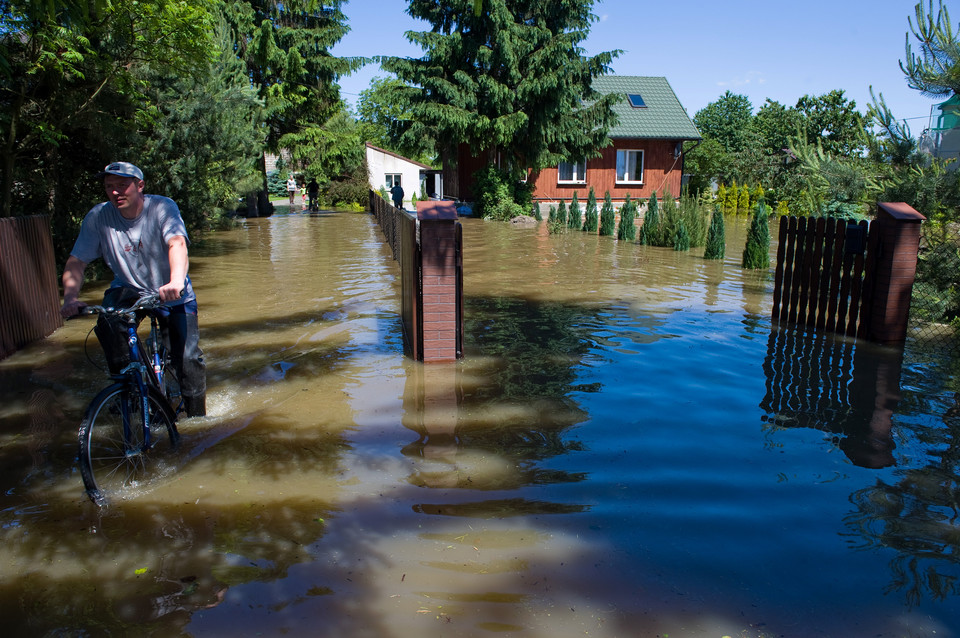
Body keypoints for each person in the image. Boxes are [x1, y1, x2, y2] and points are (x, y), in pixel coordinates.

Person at [60, 162, 207, 417]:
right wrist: (70, 298)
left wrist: (175, 281)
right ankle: (130, 389)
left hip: (170, 289)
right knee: (107, 323)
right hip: (128, 288)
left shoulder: (162, 207)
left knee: (188, 358)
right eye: (109, 187)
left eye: (122, 185)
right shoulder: (98, 217)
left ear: (139, 186)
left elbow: (177, 243)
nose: (115, 192)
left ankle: (198, 420)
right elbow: (76, 261)